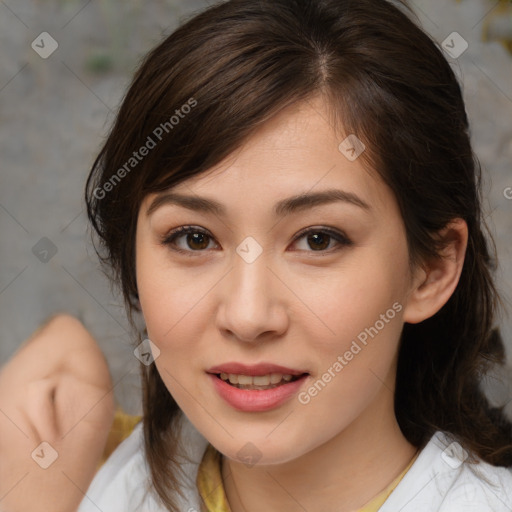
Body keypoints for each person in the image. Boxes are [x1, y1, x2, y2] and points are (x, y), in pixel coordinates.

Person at [4, 0, 512, 510]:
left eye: (318, 239)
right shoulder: (73, 477)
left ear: (432, 269)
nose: (248, 316)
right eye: (194, 238)